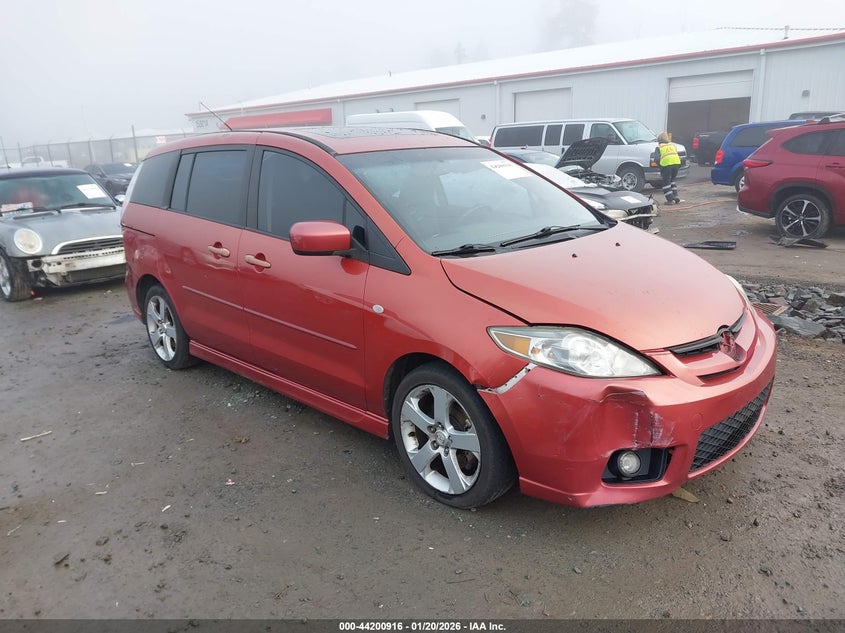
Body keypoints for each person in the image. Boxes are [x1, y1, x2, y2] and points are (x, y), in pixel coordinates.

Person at [653, 132, 681, 204]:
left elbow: (656, 159)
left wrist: (661, 166)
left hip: (666, 165)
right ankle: (675, 196)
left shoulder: (659, 147)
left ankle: (670, 200)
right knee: (672, 181)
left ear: (659, 140)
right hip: (676, 164)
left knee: (666, 182)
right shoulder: (672, 145)